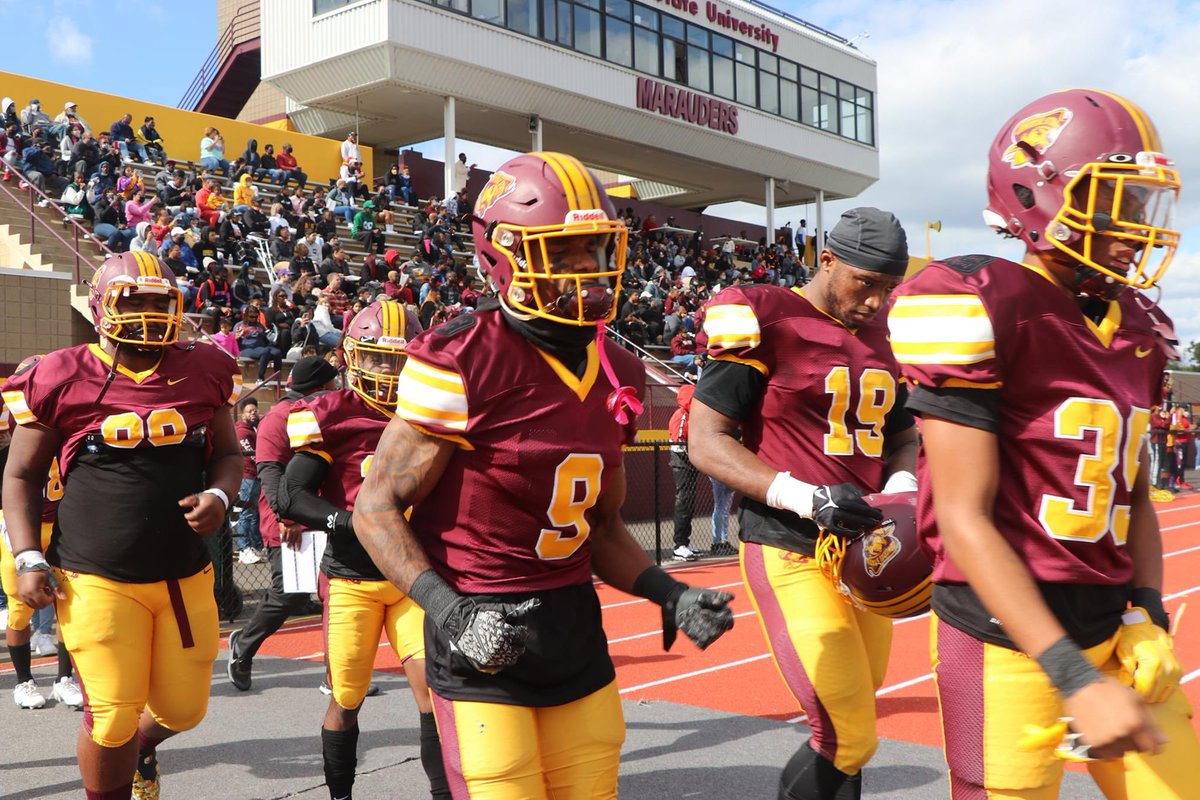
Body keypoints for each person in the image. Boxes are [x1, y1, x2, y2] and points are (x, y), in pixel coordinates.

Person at [351, 152, 735, 797]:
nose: (589, 271)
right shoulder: (461, 356)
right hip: (479, 625)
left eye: (595, 249)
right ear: (502, 256)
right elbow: (376, 506)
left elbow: (603, 525)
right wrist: (450, 611)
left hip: (573, 627)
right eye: (567, 251)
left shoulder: (618, 364)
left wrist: (669, 593)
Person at [887, 88, 1199, 799]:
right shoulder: (977, 300)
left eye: (1142, 206)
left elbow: (1136, 495)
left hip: (1110, 622)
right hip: (1005, 635)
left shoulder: (1138, 327)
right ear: (1037, 192)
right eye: (1114, 203)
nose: (1135, 230)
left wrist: (1146, 609)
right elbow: (964, 517)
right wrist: (1070, 675)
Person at [688, 206, 919, 800]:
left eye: (888, 288)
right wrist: (804, 496)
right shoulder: (763, 314)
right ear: (827, 259)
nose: (875, 301)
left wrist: (899, 487)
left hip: (867, 549)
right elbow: (706, 442)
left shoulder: (883, 334)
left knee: (847, 732)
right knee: (848, 732)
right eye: (865, 283)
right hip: (789, 544)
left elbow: (900, 436)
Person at [1, 252, 241, 799]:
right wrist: (26, 554)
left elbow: (228, 454)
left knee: (185, 709)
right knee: (110, 716)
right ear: (100, 304)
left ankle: (141, 751)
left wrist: (220, 494)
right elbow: (20, 475)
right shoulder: (59, 372)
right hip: (95, 573)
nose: (151, 314)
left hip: (183, 574)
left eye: (162, 302)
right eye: (136, 301)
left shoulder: (205, 366)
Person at [276, 302, 449, 799]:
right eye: (377, 359)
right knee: (347, 698)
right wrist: (355, 523)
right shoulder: (329, 414)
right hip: (354, 579)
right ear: (353, 356)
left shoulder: (432, 413)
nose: (388, 372)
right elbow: (293, 495)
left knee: (433, 695)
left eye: (398, 362)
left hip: (413, 578)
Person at [226, 357, 339, 692]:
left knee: (335, 593)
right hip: (288, 520)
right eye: (331, 383)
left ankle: (338, 675)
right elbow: (271, 472)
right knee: (288, 594)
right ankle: (243, 647)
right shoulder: (280, 417)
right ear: (319, 386)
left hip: (320, 514)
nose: (336, 388)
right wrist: (285, 517)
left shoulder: (319, 411)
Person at [1, 381, 84, 711]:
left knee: (69, 604)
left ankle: (65, 679)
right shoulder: (18, 432)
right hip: (20, 527)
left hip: (63, 525)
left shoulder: (71, 435)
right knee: (21, 606)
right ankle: (24, 681)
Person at [668, 384, 703, 561]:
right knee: (683, 502)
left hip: (689, 463)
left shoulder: (692, 416)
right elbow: (678, 444)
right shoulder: (682, 416)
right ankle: (679, 545)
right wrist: (696, 457)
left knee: (688, 504)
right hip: (682, 464)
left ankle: (685, 543)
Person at [233, 398, 264, 565]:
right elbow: (252, 454)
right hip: (248, 477)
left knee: (254, 514)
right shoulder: (243, 432)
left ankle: (253, 546)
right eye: (250, 411)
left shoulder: (252, 429)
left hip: (255, 476)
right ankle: (244, 548)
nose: (254, 413)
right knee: (247, 513)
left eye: (255, 410)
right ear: (243, 414)